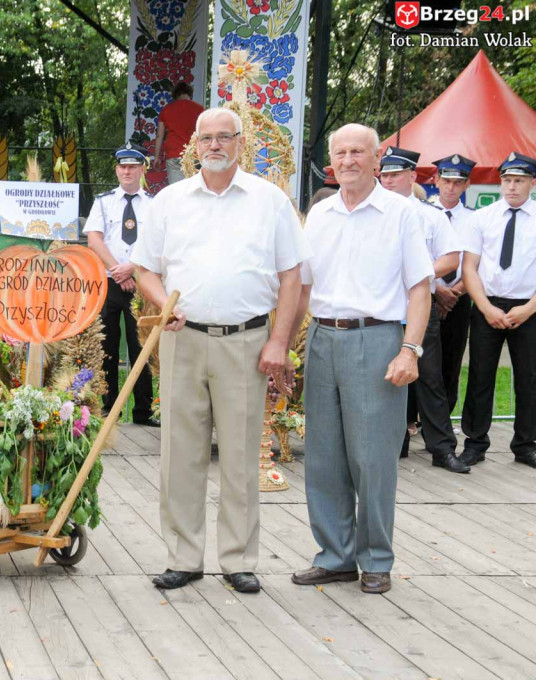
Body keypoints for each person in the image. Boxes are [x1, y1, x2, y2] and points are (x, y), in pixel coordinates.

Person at [132, 108, 309, 594]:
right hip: (183, 340)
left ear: (239, 142)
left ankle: (238, 560)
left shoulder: (269, 201)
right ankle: (183, 557)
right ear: (193, 144)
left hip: (247, 342)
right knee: (180, 454)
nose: (214, 145)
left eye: (223, 137)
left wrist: (278, 339)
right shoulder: (169, 201)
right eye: (206, 138)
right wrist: (158, 300)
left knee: (239, 456)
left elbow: (292, 274)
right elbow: (144, 268)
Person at [291, 124, 433, 595]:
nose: (348, 159)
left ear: (377, 160)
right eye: (340, 152)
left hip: (377, 340)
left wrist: (409, 350)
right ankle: (335, 557)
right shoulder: (321, 213)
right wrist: (287, 344)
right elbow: (305, 285)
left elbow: (419, 289)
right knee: (324, 457)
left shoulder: (402, 213)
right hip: (322, 338)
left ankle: (375, 559)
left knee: (372, 457)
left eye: (358, 152)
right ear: (331, 161)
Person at [377, 147, 468, 473]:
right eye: (384, 174)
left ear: (413, 176)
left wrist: (418, 271)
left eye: (395, 174)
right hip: (381, 312)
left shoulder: (429, 215)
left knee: (430, 379)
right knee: (383, 379)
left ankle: (441, 448)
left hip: (419, 309)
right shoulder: (371, 211)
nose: (388, 180)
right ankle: (394, 442)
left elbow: (451, 258)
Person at [460, 152, 536, 469]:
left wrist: (529, 308)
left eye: (519, 180)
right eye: (507, 180)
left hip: (529, 307)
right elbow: (470, 268)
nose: (512, 187)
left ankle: (526, 444)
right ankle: (475, 443)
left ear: (532, 183)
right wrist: (486, 307)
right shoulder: (483, 217)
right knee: (479, 375)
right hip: (487, 304)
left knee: (529, 378)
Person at [83, 145, 157, 426]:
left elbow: (158, 244)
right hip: (110, 285)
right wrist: (119, 271)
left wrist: (133, 269)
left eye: (133, 167)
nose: (127, 171)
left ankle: (143, 412)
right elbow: (94, 240)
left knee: (141, 348)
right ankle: (107, 410)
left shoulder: (154, 203)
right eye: (122, 167)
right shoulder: (103, 202)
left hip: (142, 284)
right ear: (116, 169)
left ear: (142, 170)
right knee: (108, 348)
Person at [430, 154, 477, 416]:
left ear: (466, 185)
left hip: (459, 297)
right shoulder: (423, 213)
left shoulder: (475, 219)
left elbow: (477, 261)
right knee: (423, 359)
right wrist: (438, 290)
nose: (451, 187)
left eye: (457, 183)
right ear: (436, 181)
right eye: (446, 181)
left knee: (452, 359)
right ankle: (413, 419)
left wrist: (454, 293)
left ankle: (444, 419)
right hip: (426, 294)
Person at [153, 82, 205, 185]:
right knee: (194, 189)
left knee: (176, 190)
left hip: (174, 155)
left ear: (175, 95)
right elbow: (206, 134)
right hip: (195, 155)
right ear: (190, 94)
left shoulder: (166, 110)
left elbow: (159, 136)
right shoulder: (200, 109)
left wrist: (156, 157)